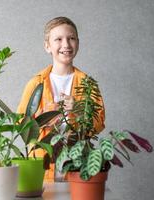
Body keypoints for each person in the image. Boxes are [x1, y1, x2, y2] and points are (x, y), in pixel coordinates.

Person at [17, 16, 105, 182]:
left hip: (77, 163)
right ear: (47, 46)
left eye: (71, 38)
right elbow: (20, 123)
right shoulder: (36, 83)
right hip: (41, 164)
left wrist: (78, 109)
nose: (66, 44)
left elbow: (99, 122)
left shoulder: (88, 83)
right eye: (58, 39)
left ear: (78, 43)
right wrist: (41, 117)